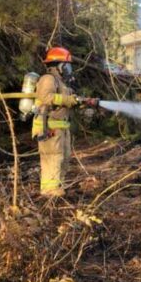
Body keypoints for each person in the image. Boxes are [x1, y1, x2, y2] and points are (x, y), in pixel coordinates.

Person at [33, 46, 99, 197]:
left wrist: (84, 102)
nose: (69, 69)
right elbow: (46, 97)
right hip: (49, 127)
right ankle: (49, 192)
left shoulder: (62, 83)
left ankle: (57, 187)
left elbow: (69, 101)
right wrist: (69, 100)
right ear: (59, 66)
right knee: (53, 158)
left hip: (61, 128)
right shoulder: (48, 79)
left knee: (64, 158)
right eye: (66, 66)